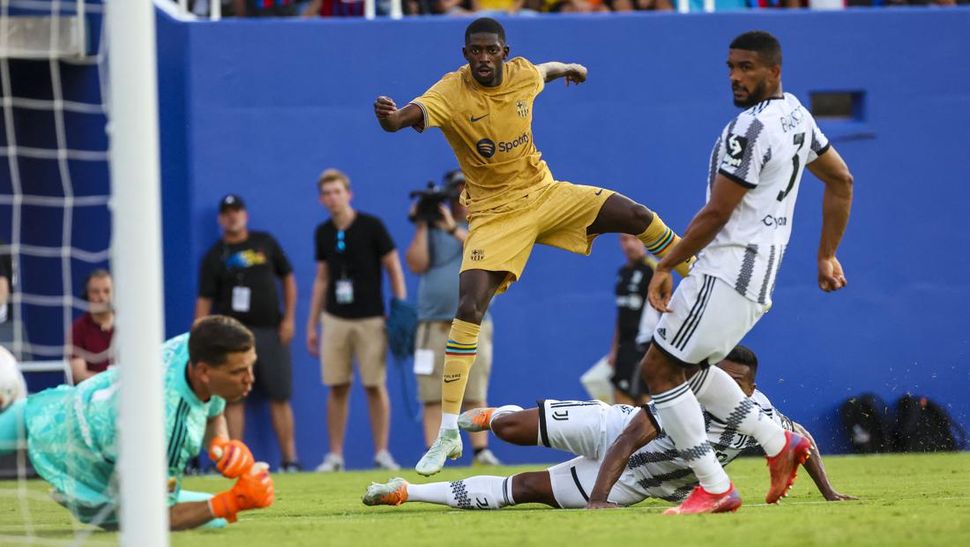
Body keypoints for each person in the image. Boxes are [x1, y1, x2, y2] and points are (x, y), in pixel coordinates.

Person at [374, 17, 696, 476]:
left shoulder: (523, 72)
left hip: (545, 195)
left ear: (504, 51)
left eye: (491, 50)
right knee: (469, 306)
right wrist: (391, 120)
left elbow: (541, 71)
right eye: (475, 51)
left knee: (636, 216)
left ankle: (697, 271)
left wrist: (568, 68)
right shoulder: (450, 91)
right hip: (493, 214)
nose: (483, 59)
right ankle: (447, 432)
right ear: (465, 54)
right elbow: (407, 117)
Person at [637, 31, 854, 514]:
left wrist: (665, 263)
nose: (736, 76)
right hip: (755, 280)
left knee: (657, 369)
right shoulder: (796, 115)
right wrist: (826, 255)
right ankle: (778, 441)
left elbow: (716, 213)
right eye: (731, 66)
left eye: (748, 67)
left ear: (774, 70)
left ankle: (715, 487)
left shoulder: (749, 130)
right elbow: (841, 178)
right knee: (686, 370)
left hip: (726, 271)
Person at [363, 346, 856, 510]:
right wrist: (596, 498)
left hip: (634, 482)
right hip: (613, 429)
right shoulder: (680, 395)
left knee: (526, 489)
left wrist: (829, 493)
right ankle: (491, 416)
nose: (715, 381)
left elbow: (802, 445)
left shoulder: (760, 414)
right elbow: (626, 439)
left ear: (746, 384)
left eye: (729, 377)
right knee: (513, 430)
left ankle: (407, 492)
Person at [0, 316, 275, 530]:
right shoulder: (165, 429)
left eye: (250, 366)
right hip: (77, 455)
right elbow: (155, 520)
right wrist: (231, 501)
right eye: (239, 371)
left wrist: (220, 444)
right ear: (204, 372)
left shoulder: (194, 345)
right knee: (215, 513)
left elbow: (213, 411)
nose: (250, 378)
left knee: (216, 518)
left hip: (64, 409)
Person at [306, 168, 407, 472]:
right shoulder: (323, 232)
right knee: (337, 386)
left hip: (371, 318)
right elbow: (322, 279)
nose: (332, 198)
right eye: (327, 193)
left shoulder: (372, 226)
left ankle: (382, 452)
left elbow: (394, 267)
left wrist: (399, 307)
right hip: (335, 318)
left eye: (337, 191)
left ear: (349, 194)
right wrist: (312, 324)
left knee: (375, 385)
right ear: (321, 199)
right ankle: (335, 456)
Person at [197, 194, 301, 472]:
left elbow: (288, 278)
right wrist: (200, 337)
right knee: (233, 397)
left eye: (237, 211)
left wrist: (289, 319)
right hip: (232, 337)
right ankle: (235, 462)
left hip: (270, 330)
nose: (233, 216)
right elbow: (204, 300)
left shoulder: (264, 242)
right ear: (221, 219)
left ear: (245, 214)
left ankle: (290, 460)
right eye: (227, 212)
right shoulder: (214, 256)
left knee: (279, 395)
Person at [405, 170, 500, 466]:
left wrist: (451, 229)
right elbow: (417, 264)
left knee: (474, 390)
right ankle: (434, 450)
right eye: (457, 191)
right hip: (433, 323)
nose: (462, 198)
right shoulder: (432, 229)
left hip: (473, 323)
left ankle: (481, 451)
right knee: (432, 392)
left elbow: (488, 255)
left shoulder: (484, 224)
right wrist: (422, 224)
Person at [608, 235, 654, 405]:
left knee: (642, 398)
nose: (629, 244)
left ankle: (651, 431)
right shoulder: (623, 273)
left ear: (644, 241)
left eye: (634, 239)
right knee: (620, 397)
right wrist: (614, 350)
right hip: (625, 347)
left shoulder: (654, 270)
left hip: (644, 344)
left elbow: (666, 308)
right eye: (624, 240)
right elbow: (622, 315)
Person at [68, 269, 115, 384]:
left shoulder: (127, 325)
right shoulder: (78, 329)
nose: (101, 297)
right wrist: (112, 381)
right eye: (95, 292)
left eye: (107, 291)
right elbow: (79, 374)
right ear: (87, 295)